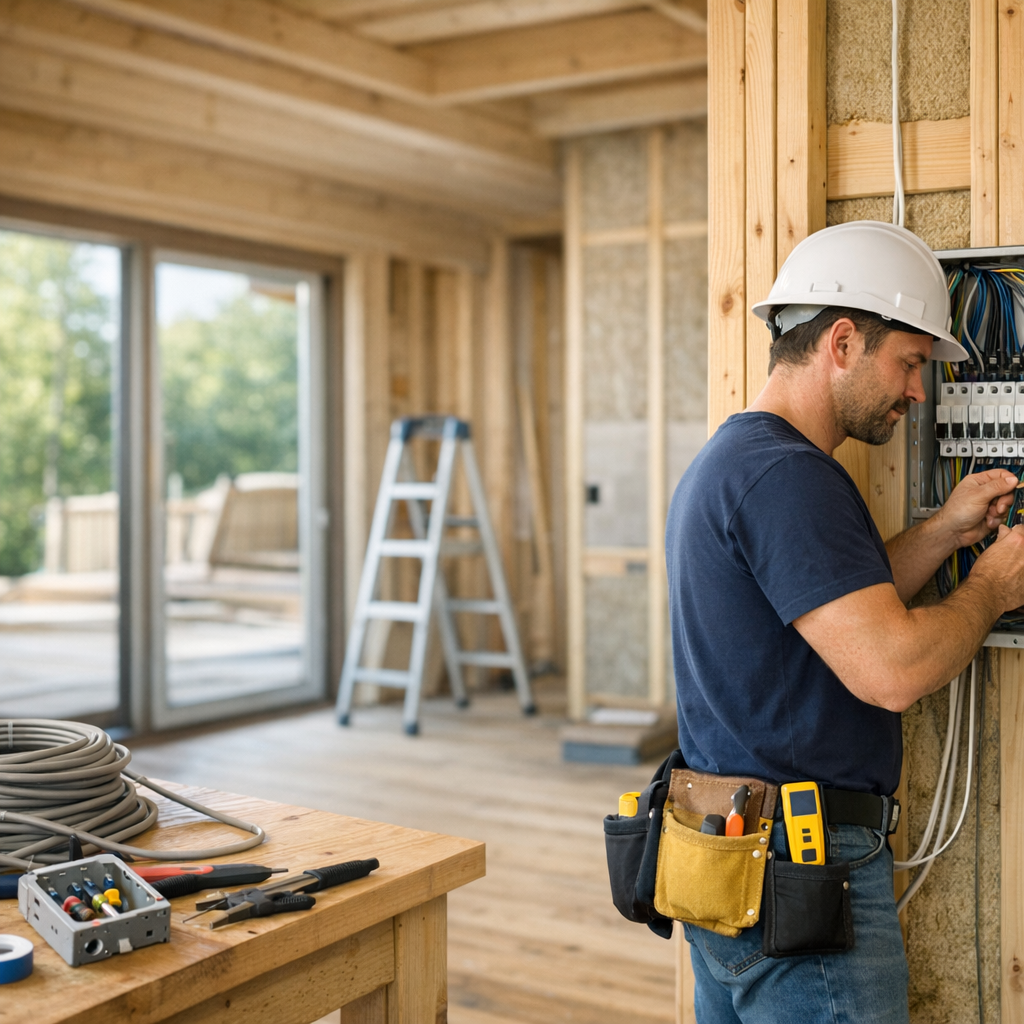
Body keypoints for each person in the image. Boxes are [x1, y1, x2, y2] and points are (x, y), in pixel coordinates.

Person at [665, 221, 1024, 1024]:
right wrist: (993, 589)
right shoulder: (790, 478)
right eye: (908, 363)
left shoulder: (735, 462)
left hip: (731, 863)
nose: (918, 391)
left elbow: (828, 613)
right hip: (802, 873)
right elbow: (889, 668)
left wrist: (944, 531)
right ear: (839, 341)